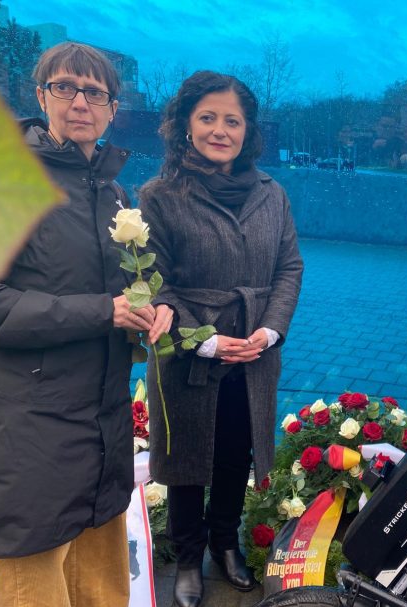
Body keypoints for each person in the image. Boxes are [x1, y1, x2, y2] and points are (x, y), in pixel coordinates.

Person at [0, 42, 170, 607]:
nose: (79, 102)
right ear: (41, 96)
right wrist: (103, 312)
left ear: (113, 109)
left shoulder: (113, 193)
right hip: (32, 427)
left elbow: (126, 286)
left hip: (102, 424)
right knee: (32, 585)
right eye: (64, 87)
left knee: (101, 587)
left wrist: (153, 307)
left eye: (94, 92)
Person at [138, 70, 303, 607]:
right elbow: (152, 283)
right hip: (189, 352)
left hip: (253, 351)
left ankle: (224, 544)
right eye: (207, 117)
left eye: (232, 120)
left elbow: (289, 267)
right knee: (186, 458)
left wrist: (270, 330)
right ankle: (188, 557)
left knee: (236, 451)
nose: (220, 130)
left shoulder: (272, 194)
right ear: (185, 125)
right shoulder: (159, 196)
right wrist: (204, 341)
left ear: (247, 130)